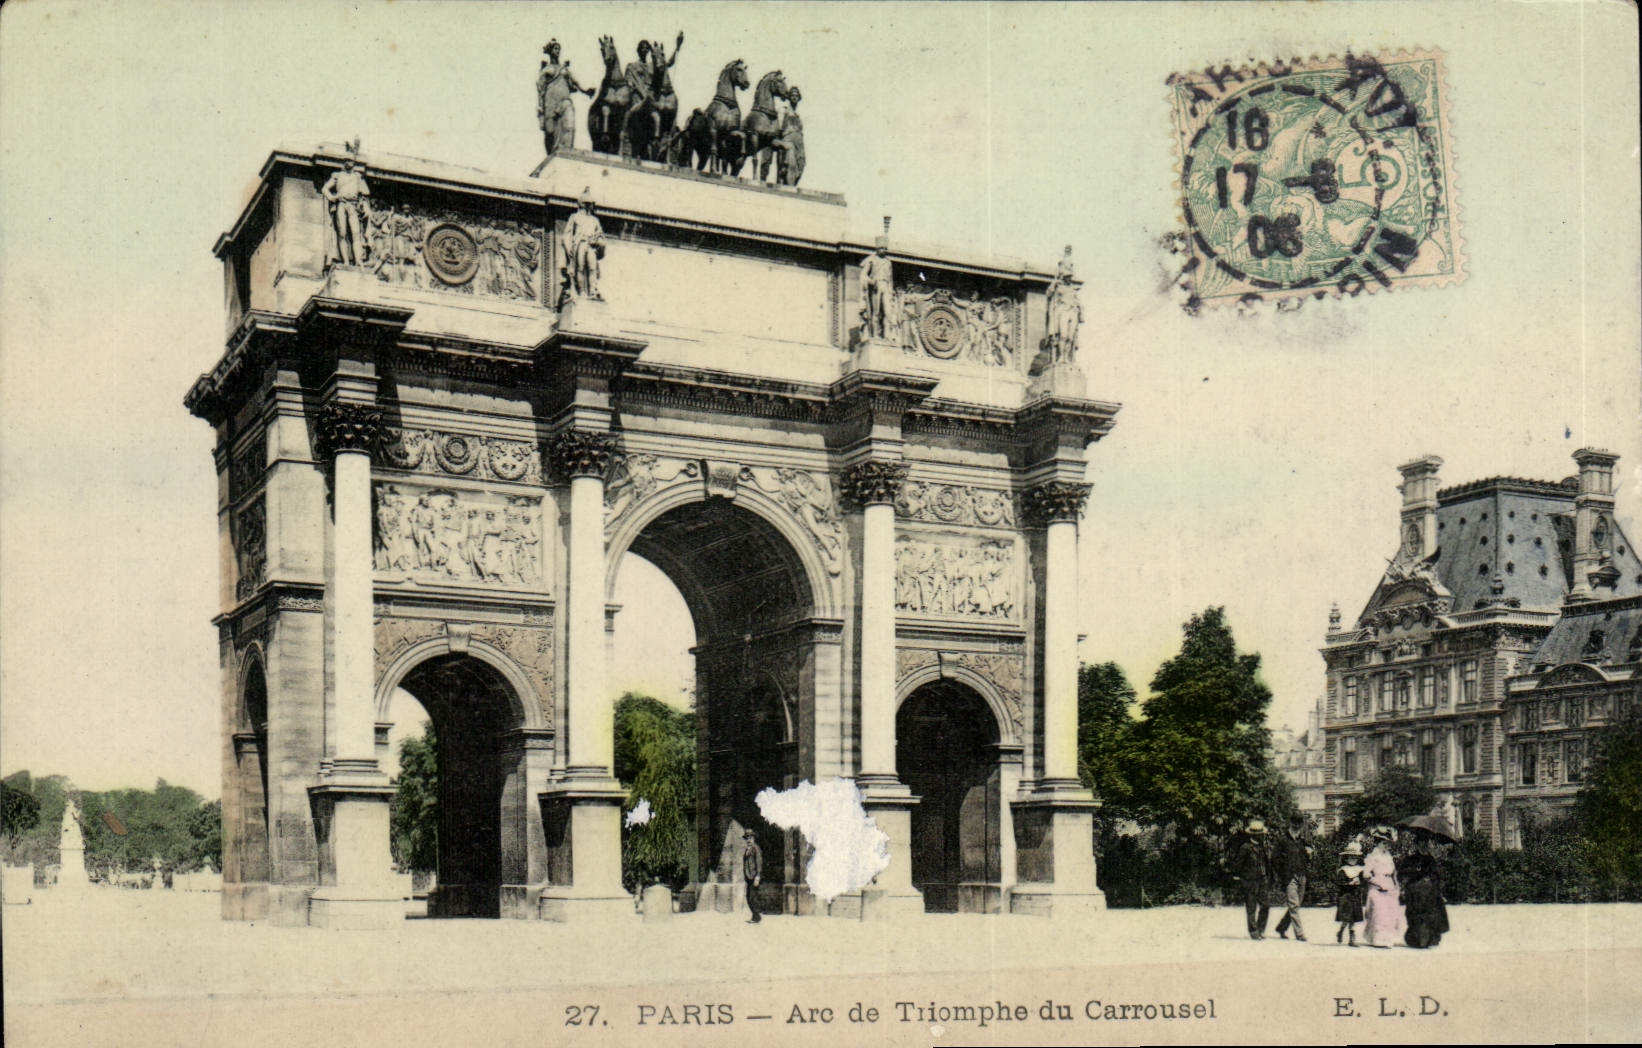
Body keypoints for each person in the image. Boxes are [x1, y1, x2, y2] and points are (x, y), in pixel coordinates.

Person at [537, 39, 594, 155]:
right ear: (550, 51)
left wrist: (585, 91)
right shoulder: (546, 70)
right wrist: (541, 110)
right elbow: (540, 89)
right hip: (550, 102)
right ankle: (552, 154)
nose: (557, 51)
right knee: (550, 132)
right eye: (555, 48)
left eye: (558, 49)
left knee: (570, 125)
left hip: (565, 100)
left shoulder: (564, 69)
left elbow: (575, 82)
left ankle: (567, 151)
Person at [1399, 831, 1451, 949]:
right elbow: (1403, 874)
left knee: (1431, 915)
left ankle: (1430, 939)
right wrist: (1414, 870)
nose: (1424, 846)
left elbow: (1436, 875)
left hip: (1430, 891)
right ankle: (1418, 939)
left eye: (1425, 844)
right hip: (1415, 891)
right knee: (1416, 915)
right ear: (1416, 845)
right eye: (1420, 844)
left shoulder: (1430, 859)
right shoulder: (1410, 859)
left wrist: (1434, 883)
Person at [1360, 826, 1406, 947]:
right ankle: (1377, 939)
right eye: (1384, 843)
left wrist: (1397, 886)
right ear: (1378, 843)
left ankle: (1388, 939)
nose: (1387, 845)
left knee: (1391, 912)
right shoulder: (1372, 857)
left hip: (1389, 884)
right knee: (1379, 913)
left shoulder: (1388, 856)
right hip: (1377, 886)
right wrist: (1377, 883)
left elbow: (1393, 872)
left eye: (1387, 843)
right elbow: (1366, 874)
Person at [322, 158, 371, 266]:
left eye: (351, 161)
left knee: (356, 233)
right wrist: (332, 197)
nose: (349, 163)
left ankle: (358, 260)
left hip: (353, 205)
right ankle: (346, 261)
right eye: (347, 160)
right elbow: (325, 188)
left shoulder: (357, 176)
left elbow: (365, 192)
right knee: (342, 233)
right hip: (341, 204)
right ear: (344, 162)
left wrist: (362, 202)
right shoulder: (337, 175)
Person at [1231, 820, 1275, 940]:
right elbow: (1237, 865)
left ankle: (1261, 930)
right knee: (1251, 908)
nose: (1263, 835)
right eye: (1261, 834)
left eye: (1263, 833)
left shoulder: (1264, 847)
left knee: (1266, 905)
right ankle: (1254, 931)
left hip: (1262, 880)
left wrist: (1269, 877)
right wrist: (1242, 879)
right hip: (1250, 881)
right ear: (1254, 835)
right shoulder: (1245, 848)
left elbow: (1267, 864)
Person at [1273, 815, 1313, 941]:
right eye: (1295, 823)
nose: (1297, 826)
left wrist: (1310, 853)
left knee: (1296, 905)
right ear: (1290, 823)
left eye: (1299, 824)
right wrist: (1281, 875)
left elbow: (1308, 858)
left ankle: (1281, 927)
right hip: (1289, 877)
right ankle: (1300, 934)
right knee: (1294, 905)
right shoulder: (1282, 840)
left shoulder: (1302, 840)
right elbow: (1274, 859)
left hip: (1302, 875)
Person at [561, 189, 605, 300]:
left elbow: (600, 234)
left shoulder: (594, 220)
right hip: (579, 244)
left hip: (591, 245)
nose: (588, 206)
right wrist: (569, 248)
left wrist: (598, 241)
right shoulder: (574, 217)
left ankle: (592, 291)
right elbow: (567, 234)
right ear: (581, 204)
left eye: (590, 204)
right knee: (579, 268)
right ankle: (581, 292)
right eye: (586, 203)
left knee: (592, 268)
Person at [860, 239, 895, 341]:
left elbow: (890, 279)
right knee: (876, 311)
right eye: (882, 248)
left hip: (886, 287)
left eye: (885, 248)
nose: (884, 250)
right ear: (877, 249)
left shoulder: (888, 262)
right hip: (876, 286)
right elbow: (864, 275)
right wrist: (871, 281)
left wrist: (891, 291)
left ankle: (887, 334)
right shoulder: (871, 260)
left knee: (887, 312)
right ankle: (875, 334)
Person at [1335, 841, 1367, 946]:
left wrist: (1360, 882)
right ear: (1347, 858)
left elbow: (1363, 881)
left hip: (1356, 896)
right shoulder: (1343, 870)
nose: (1353, 860)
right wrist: (1349, 883)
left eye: (1355, 858)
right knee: (1346, 918)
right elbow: (1340, 882)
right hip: (1346, 896)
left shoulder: (1359, 869)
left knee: (1353, 918)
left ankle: (1352, 939)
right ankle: (1341, 931)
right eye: (1351, 857)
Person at [741, 828, 763, 924]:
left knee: (752, 897)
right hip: (748, 877)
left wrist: (758, 876)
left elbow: (759, 862)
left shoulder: (755, 848)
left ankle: (756, 917)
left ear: (753, 838)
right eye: (747, 838)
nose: (748, 840)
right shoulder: (747, 849)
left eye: (750, 838)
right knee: (749, 897)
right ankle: (755, 916)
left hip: (754, 876)